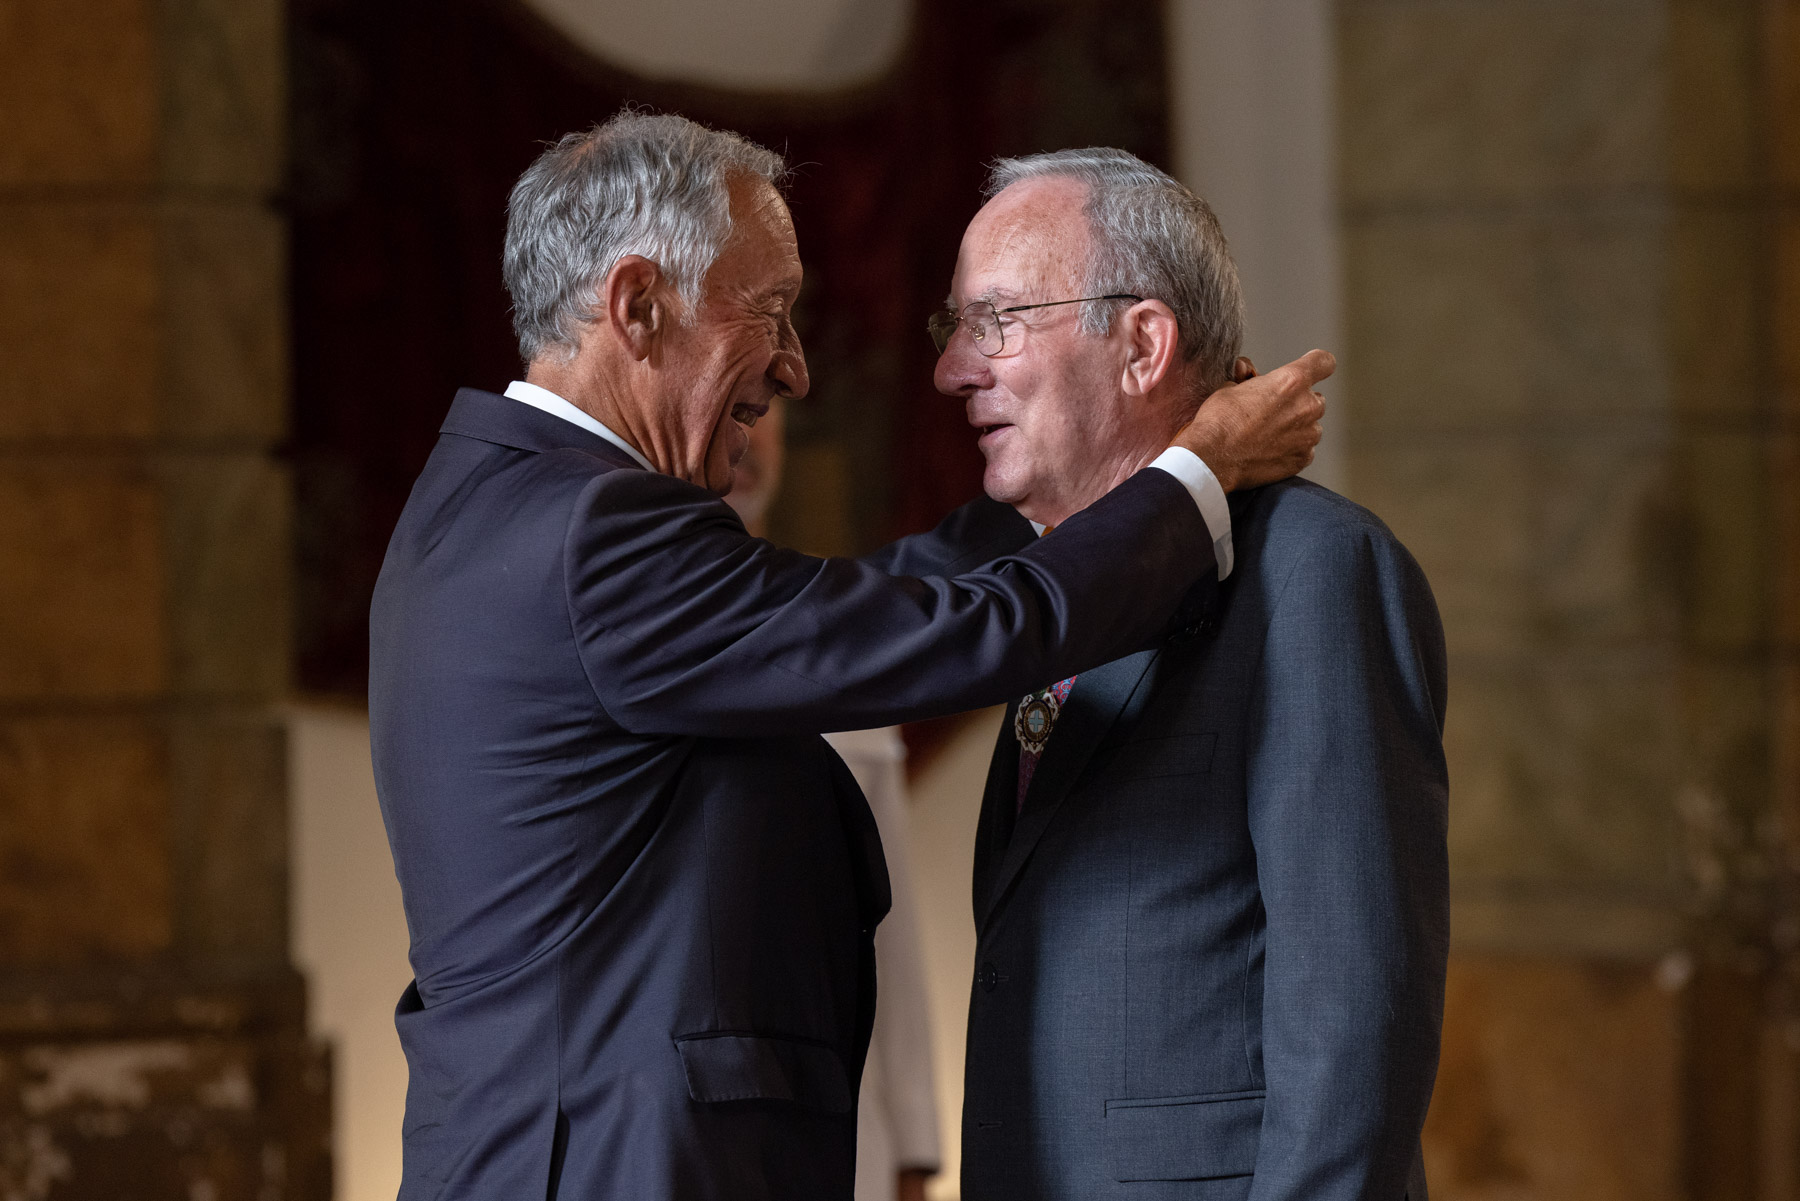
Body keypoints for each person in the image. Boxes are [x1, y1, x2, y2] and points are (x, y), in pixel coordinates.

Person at [368, 113, 1332, 1201]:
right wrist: (1193, 470)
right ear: (638, 305)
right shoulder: (592, 535)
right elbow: (959, 632)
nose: (794, 366)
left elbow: (858, 608)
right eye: (769, 310)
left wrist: (1074, 475)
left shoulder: (491, 507)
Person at [937, 150, 1448, 1200]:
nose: (954, 369)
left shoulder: (1312, 569)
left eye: (997, 322)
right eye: (955, 327)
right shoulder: (1054, 584)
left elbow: (1355, 1017)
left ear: (1142, 346)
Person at [727, 401, 943, 1201]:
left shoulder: (837, 633)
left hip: (848, 1130)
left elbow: (890, 930)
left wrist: (916, 1146)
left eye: (768, 409)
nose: (753, 433)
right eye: (737, 403)